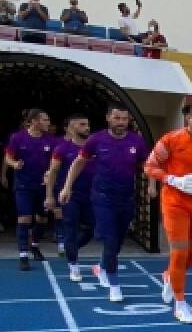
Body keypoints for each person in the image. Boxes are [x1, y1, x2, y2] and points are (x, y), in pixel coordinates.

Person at [143, 101, 192, 322]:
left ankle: (170, 276)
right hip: (175, 203)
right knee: (179, 252)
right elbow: (149, 166)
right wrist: (173, 180)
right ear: (189, 119)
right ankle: (180, 302)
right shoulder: (170, 140)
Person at [60, 104, 150, 302]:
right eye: (117, 118)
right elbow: (78, 162)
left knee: (118, 240)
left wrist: (152, 184)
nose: (121, 123)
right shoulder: (96, 140)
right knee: (110, 240)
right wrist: (67, 187)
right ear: (108, 118)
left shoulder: (136, 142)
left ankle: (101, 266)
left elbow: (147, 164)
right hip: (102, 198)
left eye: (124, 119)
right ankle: (114, 285)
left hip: (126, 198)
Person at [4, 108, 62, 270]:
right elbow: (8, 157)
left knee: (42, 219)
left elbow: (55, 161)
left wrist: (50, 173)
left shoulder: (50, 140)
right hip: (24, 186)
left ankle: (34, 245)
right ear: (35, 121)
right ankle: (23, 255)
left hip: (43, 186)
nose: (48, 123)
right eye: (45, 120)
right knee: (24, 218)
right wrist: (14, 164)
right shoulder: (18, 137)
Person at [46, 114, 94, 281]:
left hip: (92, 195)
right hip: (70, 195)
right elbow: (52, 172)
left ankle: (70, 248)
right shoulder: (62, 149)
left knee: (92, 229)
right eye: (82, 124)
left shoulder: (94, 147)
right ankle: (73, 266)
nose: (86, 127)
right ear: (72, 128)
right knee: (70, 229)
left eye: (87, 124)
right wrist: (49, 196)